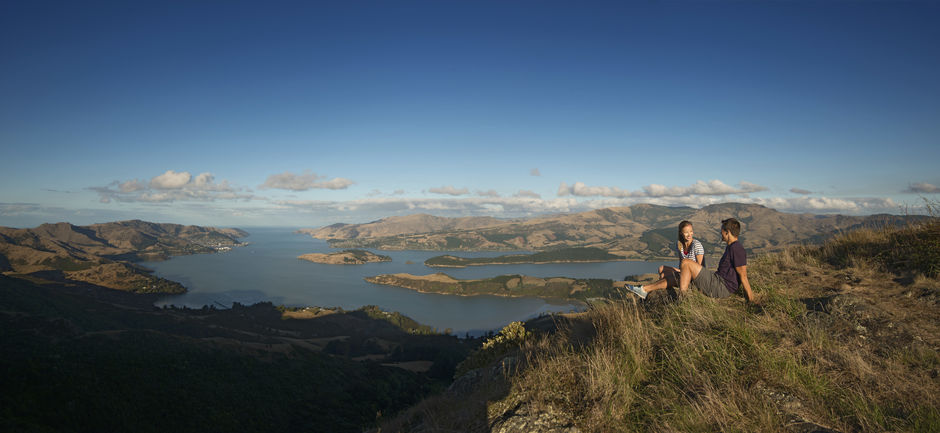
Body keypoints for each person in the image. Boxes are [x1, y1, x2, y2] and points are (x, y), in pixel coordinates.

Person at [618, 218, 756, 303]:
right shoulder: (731, 247)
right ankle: (644, 289)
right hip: (717, 281)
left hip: (721, 287)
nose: (720, 233)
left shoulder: (736, 249)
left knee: (685, 263)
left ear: (727, 232)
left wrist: (751, 299)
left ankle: (682, 300)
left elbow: (743, 275)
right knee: (676, 275)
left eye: (722, 231)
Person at [657, 220, 704, 288]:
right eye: (686, 232)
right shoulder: (679, 245)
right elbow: (681, 262)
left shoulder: (696, 245)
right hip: (683, 271)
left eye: (691, 231)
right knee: (661, 269)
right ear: (681, 233)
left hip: (694, 274)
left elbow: (700, 267)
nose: (689, 234)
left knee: (663, 276)